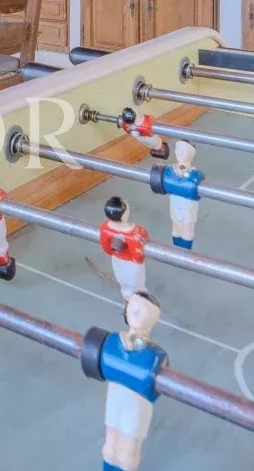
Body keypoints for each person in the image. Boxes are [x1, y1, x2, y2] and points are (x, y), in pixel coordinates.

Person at [98, 292, 167, 471]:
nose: (137, 312)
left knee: (128, 453)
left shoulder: (155, 357)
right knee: (111, 446)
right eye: (135, 308)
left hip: (136, 404)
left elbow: (156, 387)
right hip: (116, 396)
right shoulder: (112, 341)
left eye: (142, 310)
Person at [99, 195, 149, 301]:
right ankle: (140, 307)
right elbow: (139, 257)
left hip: (117, 261)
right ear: (124, 215)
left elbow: (106, 248)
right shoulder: (136, 234)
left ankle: (128, 303)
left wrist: (115, 250)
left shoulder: (105, 228)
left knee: (125, 287)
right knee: (138, 289)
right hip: (132, 266)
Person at [158, 140, 202, 250]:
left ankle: (185, 254)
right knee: (176, 229)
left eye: (184, 151)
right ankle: (177, 252)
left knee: (188, 230)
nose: (180, 153)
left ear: (191, 153)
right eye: (178, 150)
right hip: (175, 203)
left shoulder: (196, 175)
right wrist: (183, 186)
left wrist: (176, 184)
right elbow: (171, 185)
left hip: (188, 206)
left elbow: (191, 189)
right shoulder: (169, 170)